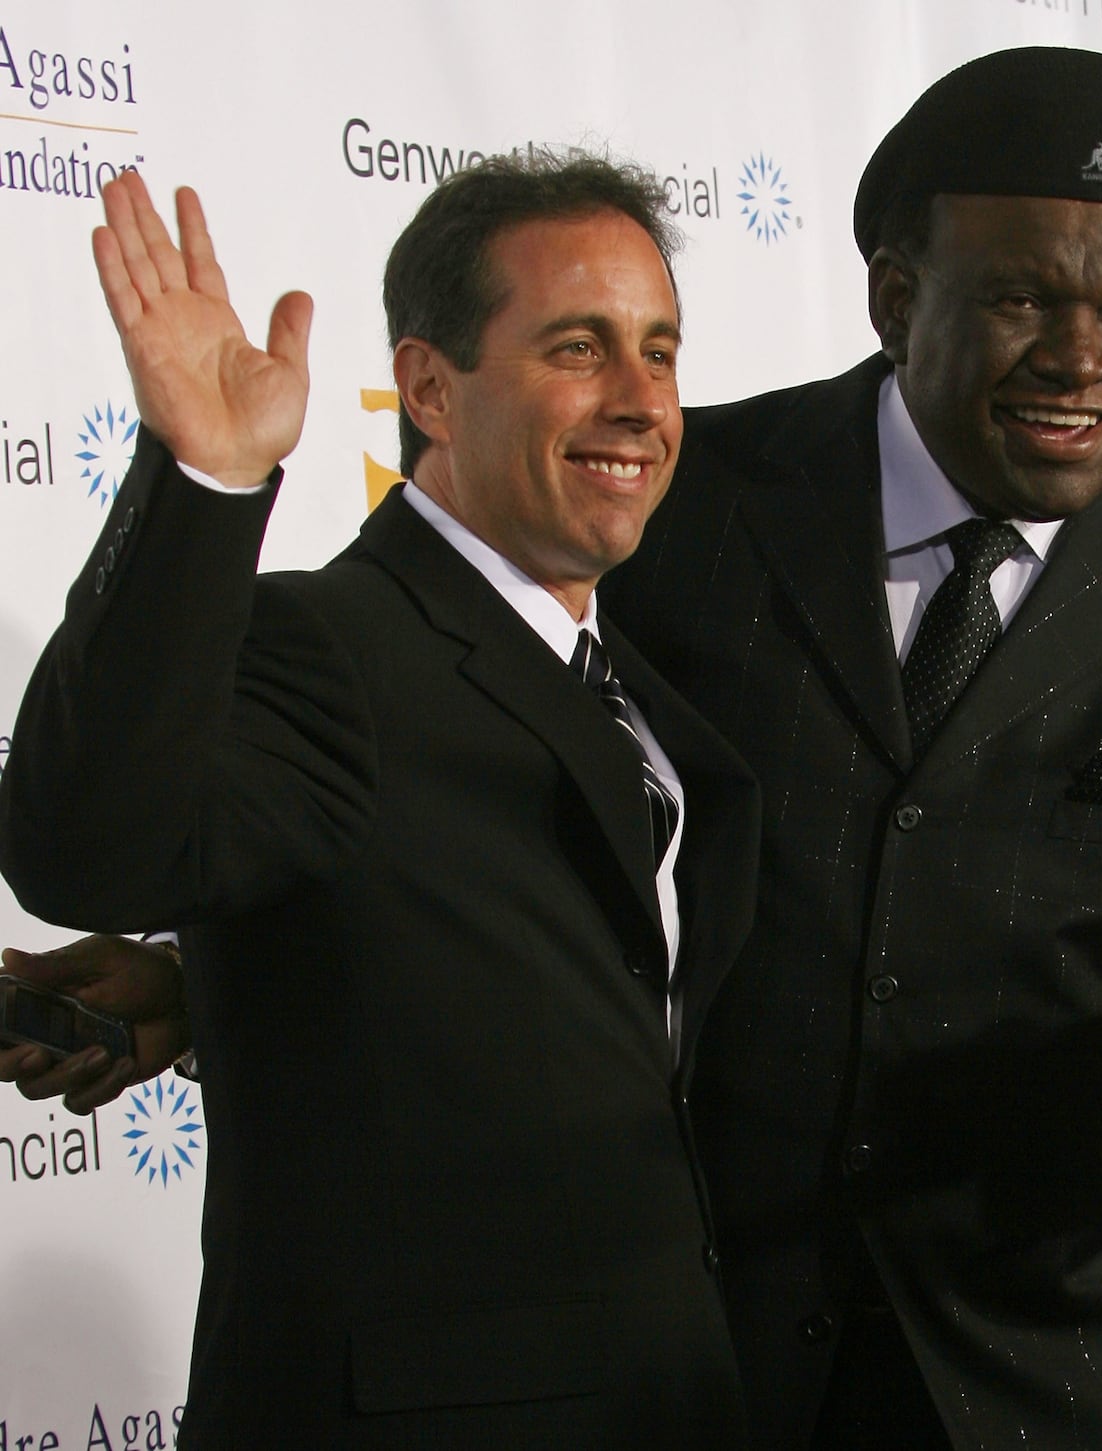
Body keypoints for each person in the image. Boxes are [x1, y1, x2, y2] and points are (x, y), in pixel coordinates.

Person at [3, 48, 1102, 1451]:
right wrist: (247, 976)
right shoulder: (658, 496)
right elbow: (444, 766)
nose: (1084, 357)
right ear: (896, 292)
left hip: (1037, 1398)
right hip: (678, 1379)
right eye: (1025, 302)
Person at [0, 154, 759, 1447]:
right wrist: (205, 484)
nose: (639, 399)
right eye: (579, 347)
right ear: (427, 388)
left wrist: (217, 985)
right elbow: (85, 847)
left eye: (660, 351)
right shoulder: (323, 645)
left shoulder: (645, 692)